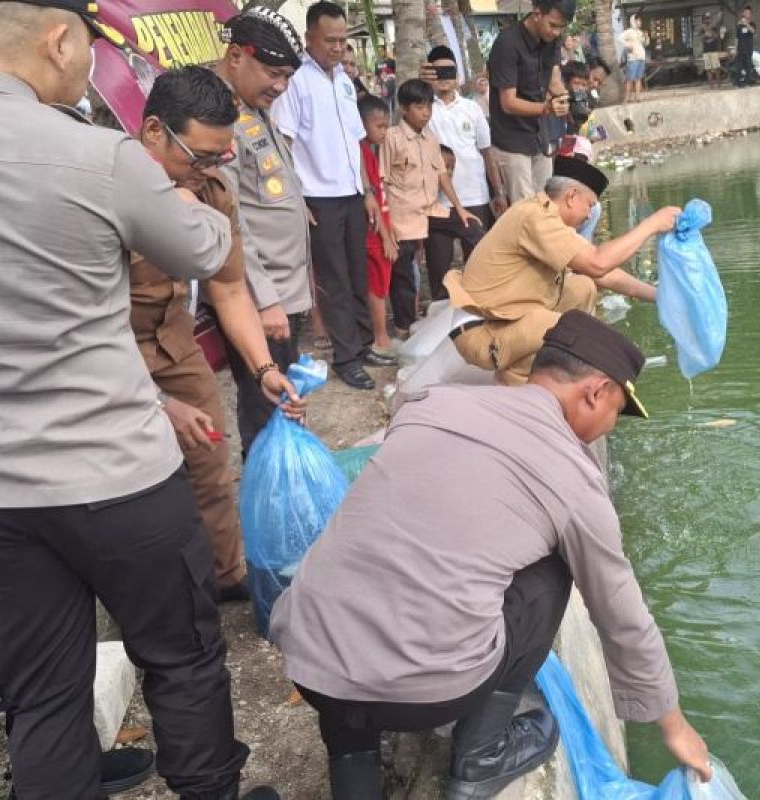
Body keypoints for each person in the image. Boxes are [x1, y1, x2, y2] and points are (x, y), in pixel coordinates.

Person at [0, 0, 278, 796]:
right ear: (57, 41)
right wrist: (196, 199)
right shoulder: (98, 155)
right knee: (181, 657)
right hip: (115, 477)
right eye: (88, 52)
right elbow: (203, 248)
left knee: (40, 694)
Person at [270, 310, 712, 800]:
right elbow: (622, 615)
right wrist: (674, 727)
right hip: (427, 693)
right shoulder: (574, 480)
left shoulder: (431, 404)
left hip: (310, 661)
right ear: (596, 391)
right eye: (615, 412)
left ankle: (354, 765)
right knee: (553, 569)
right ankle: (482, 753)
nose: (608, 427)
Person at [132, 66, 306, 603]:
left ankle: (225, 576)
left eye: (219, 157)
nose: (207, 170)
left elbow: (230, 290)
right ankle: (150, 598)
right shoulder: (109, 190)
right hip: (112, 348)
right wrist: (156, 401)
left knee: (209, 464)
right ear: (154, 131)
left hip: (174, 341)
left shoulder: (209, 189)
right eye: (199, 156)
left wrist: (264, 369)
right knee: (141, 486)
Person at [444, 157, 674, 385]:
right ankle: (516, 380)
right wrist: (652, 224)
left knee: (584, 287)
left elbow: (604, 274)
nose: (589, 215)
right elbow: (598, 263)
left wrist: (660, 296)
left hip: (504, 317)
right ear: (572, 196)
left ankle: (547, 370)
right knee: (563, 329)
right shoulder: (534, 218)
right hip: (479, 331)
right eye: (590, 206)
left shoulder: (548, 218)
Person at [273, 1, 396, 392]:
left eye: (343, 40)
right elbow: (284, 143)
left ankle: (362, 345)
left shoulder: (344, 81)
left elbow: (357, 143)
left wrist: (370, 192)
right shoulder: (295, 83)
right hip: (318, 198)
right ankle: (346, 358)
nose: (338, 47)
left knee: (358, 273)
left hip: (353, 194)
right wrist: (297, 198)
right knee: (335, 280)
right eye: (330, 40)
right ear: (310, 38)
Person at [213, 9, 315, 449]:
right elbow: (228, 217)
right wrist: (266, 298)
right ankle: (271, 498)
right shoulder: (217, 119)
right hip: (262, 301)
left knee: (286, 404)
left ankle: (287, 484)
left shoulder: (253, 107)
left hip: (284, 292)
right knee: (267, 410)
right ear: (236, 56)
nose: (281, 86)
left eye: (288, 76)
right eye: (273, 73)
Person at [382, 79, 479, 332]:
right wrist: (385, 226)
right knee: (403, 271)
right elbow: (381, 181)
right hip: (402, 215)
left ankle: (477, 294)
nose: (426, 112)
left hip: (431, 210)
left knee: (473, 228)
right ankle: (405, 326)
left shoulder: (430, 138)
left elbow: (442, 174)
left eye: (428, 107)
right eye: (419, 107)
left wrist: (459, 208)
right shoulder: (392, 138)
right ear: (404, 109)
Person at [425, 45, 505, 301]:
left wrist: (499, 192)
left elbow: (487, 152)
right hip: (437, 201)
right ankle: (439, 320)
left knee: (478, 266)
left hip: (475, 196)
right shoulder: (424, 108)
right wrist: (421, 84)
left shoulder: (472, 108)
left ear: (457, 74)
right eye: (438, 71)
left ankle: (477, 316)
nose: (445, 76)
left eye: (450, 70)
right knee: (439, 267)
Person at [487, 0, 574, 204]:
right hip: (512, 140)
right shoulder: (507, 43)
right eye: (552, 25)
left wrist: (565, 98)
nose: (556, 32)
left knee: (545, 205)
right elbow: (508, 102)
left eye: (561, 27)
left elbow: (553, 79)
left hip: (539, 136)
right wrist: (547, 108)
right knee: (524, 210)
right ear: (536, 13)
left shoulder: (552, 40)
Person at [357, 95, 400, 355]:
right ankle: (381, 337)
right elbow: (370, 198)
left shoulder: (371, 153)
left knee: (381, 282)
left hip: (382, 226)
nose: (384, 132)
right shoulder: (362, 153)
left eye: (387, 126)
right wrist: (385, 237)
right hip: (373, 233)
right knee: (377, 284)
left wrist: (390, 230)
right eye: (380, 126)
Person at [620, 13, 647, 102]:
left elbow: (645, 44)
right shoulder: (629, 31)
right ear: (633, 21)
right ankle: (628, 98)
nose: (640, 22)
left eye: (640, 21)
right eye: (638, 21)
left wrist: (646, 38)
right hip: (633, 58)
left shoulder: (640, 32)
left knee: (638, 78)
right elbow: (620, 38)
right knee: (630, 79)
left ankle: (637, 97)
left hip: (641, 57)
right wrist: (628, 45)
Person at [699, 11, 725, 88]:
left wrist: (711, 32)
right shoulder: (702, 28)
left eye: (708, 18)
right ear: (703, 20)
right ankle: (711, 86)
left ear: (710, 19)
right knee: (708, 69)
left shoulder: (714, 27)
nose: (707, 20)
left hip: (713, 50)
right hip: (706, 51)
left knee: (717, 68)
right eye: (706, 18)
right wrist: (705, 34)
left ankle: (719, 84)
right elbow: (700, 38)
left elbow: (718, 36)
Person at [732, 6, 757, 85]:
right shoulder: (739, 25)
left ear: (750, 15)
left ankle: (748, 82)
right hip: (740, 49)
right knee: (739, 66)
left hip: (748, 49)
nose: (746, 14)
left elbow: (753, 31)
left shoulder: (752, 23)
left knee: (748, 66)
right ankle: (738, 83)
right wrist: (735, 49)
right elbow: (736, 38)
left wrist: (746, 24)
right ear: (743, 13)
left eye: (748, 13)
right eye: (745, 13)